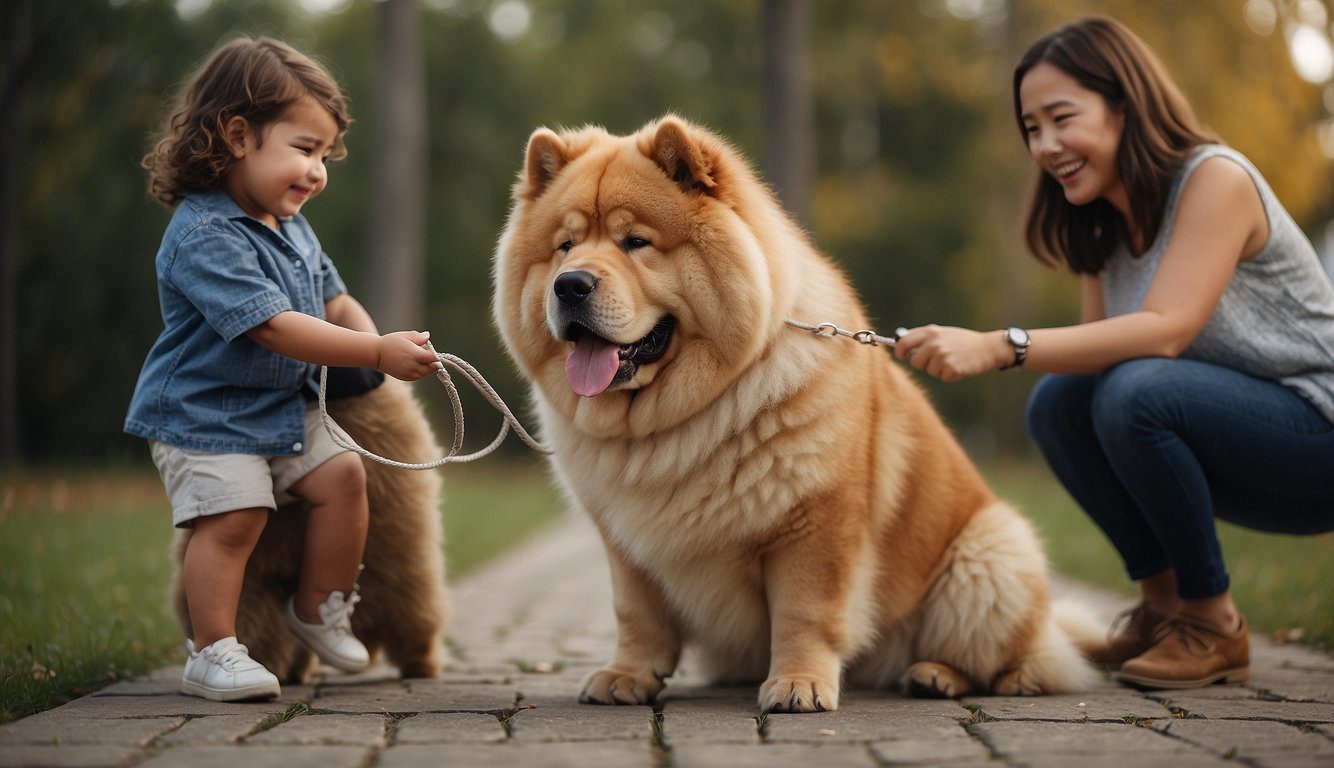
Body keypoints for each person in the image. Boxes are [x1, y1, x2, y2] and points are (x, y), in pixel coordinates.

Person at [892, 16, 1334, 690]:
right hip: (1240, 440)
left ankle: (1213, 625)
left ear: (1125, 104)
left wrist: (998, 345)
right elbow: (1093, 363)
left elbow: (1164, 332)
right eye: (1031, 128)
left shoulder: (1216, 179)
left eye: (1061, 118)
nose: (1045, 145)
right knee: (1059, 405)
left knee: (1138, 391)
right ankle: (1163, 613)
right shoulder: (1100, 218)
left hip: (1316, 436)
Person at [125, 37, 442, 701]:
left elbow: (333, 296)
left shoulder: (293, 225)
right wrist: (375, 353)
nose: (318, 171)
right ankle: (212, 649)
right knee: (234, 519)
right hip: (206, 416)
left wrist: (369, 336)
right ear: (238, 136)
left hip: (280, 411)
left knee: (346, 477)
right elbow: (272, 326)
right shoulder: (203, 232)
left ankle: (317, 606)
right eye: (304, 149)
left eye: (325, 155)